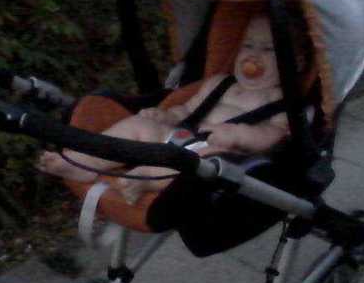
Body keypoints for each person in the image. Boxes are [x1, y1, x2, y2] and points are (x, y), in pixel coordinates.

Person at [37, 14, 302, 203]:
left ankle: (145, 177)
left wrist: (239, 135)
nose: (253, 55)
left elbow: (275, 134)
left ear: (296, 64)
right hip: (180, 136)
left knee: (203, 161)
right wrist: (165, 116)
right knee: (139, 126)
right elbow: (187, 110)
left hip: (220, 156)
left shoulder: (282, 100)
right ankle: (86, 161)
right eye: (248, 45)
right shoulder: (219, 83)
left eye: (269, 49)